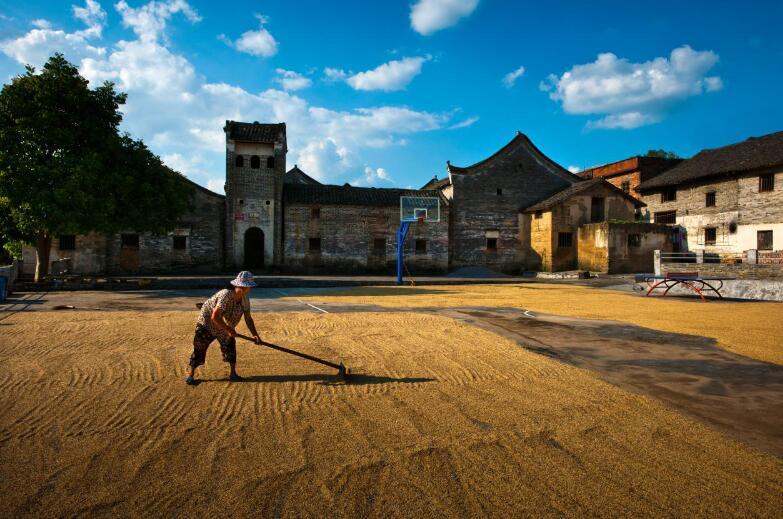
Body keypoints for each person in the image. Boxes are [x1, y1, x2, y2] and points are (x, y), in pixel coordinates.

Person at [185, 271, 261, 385]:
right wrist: (229, 329)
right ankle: (191, 374)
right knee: (199, 346)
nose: (246, 289)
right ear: (238, 286)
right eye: (244, 286)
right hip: (207, 323)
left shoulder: (245, 300)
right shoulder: (226, 294)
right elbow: (215, 316)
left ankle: (233, 374)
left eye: (248, 287)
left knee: (230, 346)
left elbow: (248, 318)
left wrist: (255, 334)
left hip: (225, 325)